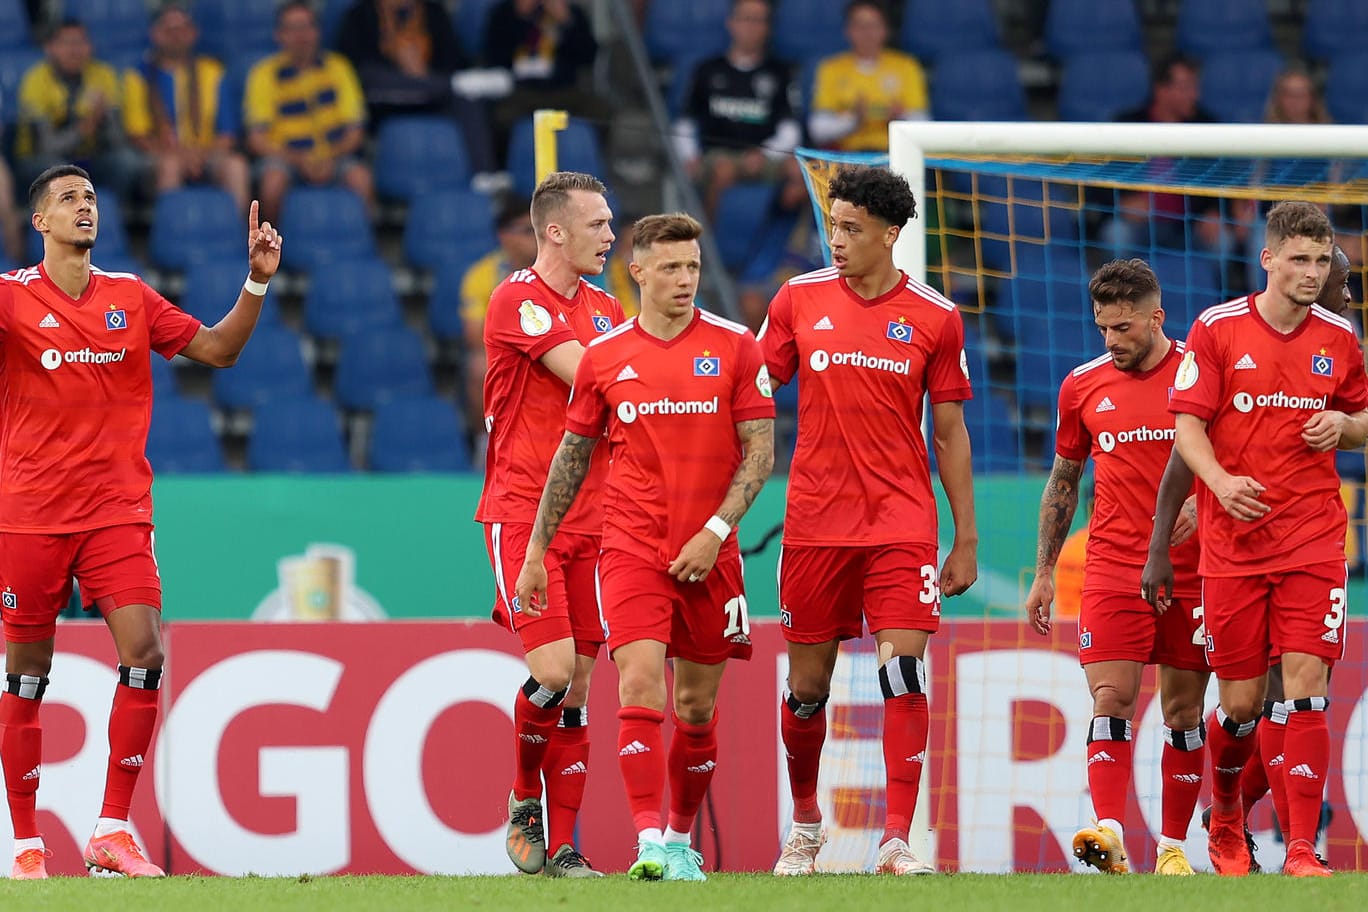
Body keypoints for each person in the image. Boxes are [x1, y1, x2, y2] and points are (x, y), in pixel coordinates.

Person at [0, 164, 281, 879]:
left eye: (91, 197)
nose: (84, 207)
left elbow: (219, 350)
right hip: (28, 516)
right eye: (68, 199)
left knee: (145, 652)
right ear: (40, 223)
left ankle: (110, 830)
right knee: (28, 672)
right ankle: (28, 843)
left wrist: (256, 282)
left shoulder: (131, 297)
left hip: (116, 512)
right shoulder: (11, 299)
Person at [515, 212, 776, 882]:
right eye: (670, 268)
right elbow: (570, 459)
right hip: (630, 548)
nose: (685, 279)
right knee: (637, 684)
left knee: (695, 708)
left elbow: (760, 455)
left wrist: (714, 532)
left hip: (712, 555)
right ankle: (649, 840)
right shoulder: (604, 359)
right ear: (638, 272)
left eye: (691, 267)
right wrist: (536, 550)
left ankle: (682, 838)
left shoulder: (737, 346)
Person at [760, 165, 977, 876]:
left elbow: (948, 432)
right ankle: (805, 825)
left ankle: (895, 840)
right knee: (807, 689)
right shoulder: (797, 300)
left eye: (852, 229)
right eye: (833, 226)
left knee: (903, 674)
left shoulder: (936, 316)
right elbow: (753, 391)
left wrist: (964, 535)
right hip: (817, 522)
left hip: (900, 522)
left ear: (890, 234)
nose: (837, 241)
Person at [1145, 201, 1368, 878]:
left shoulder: (1340, 337)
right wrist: (1219, 480)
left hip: (1313, 538)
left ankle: (1302, 849)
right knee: (1240, 705)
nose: (1312, 272)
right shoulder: (1216, 329)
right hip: (1234, 546)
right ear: (1267, 258)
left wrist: (1345, 429)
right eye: (1298, 259)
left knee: (1305, 693)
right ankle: (1227, 815)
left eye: (1320, 259)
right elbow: (1186, 430)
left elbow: (1362, 418)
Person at [1023, 259, 1209, 876]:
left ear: (1157, 317)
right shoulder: (1081, 386)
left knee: (1183, 712)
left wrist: (1204, 513)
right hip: (1111, 565)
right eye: (1103, 327)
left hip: (1196, 568)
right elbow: (1064, 480)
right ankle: (1108, 831)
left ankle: (1176, 849)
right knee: (1112, 697)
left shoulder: (1201, 376)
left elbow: (1240, 459)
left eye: (1124, 328)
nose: (1111, 340)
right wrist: (1044, 570)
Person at [476, 171, 621, 878]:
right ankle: (520, 797)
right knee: (555, 672)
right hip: (522, 513)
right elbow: (596, 377)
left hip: (596, 520)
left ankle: (564, 847)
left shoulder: (606, 304)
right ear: (555, 231)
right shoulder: (517, 300)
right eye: (598, 224)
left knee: (582, 690)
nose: (611, 236)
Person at [334, 0, 497, 177]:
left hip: (433, 97)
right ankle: (433, 85)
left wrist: (421, 72)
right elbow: (352, 69)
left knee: (467, 98)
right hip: (385, 99)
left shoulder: (433, 12)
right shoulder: (359, 15)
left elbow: (454, 60)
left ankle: (485, 177)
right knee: (376, 77)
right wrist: (399, 63)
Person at [672, 0, 804, 219]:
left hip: (764, 154)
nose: (751, 26)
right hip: (716, 155)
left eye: (758, 20)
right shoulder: (707, 69)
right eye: (745, 18)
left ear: (767, 27)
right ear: (731, 23)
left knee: (801, 172)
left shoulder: (780, 72)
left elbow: (790, 128)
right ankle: (706, 244)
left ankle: (791, 247)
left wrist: (763, 153)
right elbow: (685, 121)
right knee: (724, 171)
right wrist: (689, 156)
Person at [244, 0, 373, 223]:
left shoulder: (339, 67)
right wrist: (299, 160)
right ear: (279, 35)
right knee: (272, 184)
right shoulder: (262, 74)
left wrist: (329, 157)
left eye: (306, 27)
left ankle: (361, 247)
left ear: (317, 31)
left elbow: (355, 130)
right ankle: (272, 250)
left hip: (335, 154)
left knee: (361, 179)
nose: (301, 35)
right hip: (285, 158)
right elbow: (257, 139)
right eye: (293, 29)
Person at [122, 4, 251, 213]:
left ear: (194, 33)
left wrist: (198, 155)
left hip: (209, 152)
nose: (176, 36)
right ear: (155, 34)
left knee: (236, 166)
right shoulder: (138, 76)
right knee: (170, 166)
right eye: (168, 30)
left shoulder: (213, 72)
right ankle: (172, 236)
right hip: (161, 155)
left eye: (182, 29)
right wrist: (181, 155)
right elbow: (139, 136)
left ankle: (240, 238)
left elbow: (227, 135)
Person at [14, 20, 144, 204]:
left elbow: (117, 141)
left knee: (127, 161)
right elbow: (46, 147)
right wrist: (88, 123)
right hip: (42, 160)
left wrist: (105, 118)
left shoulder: (104, 75)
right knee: (55, 168)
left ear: (90, 47)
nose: (74, 50)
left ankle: (107, 215)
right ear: (50, 48)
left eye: (80, 42)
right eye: (66, 43)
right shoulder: (36, 81)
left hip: (92, 156)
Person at [808, 0, 928, 153]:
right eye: (860, 26)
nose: (867, 33)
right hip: (847, 157)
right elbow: (817, 129)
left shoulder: (907, 66)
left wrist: (899, 119)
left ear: (886, 29)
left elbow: (923, 124)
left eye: (874, 25)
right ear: (848, 30)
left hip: (894, 155)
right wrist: (854, 121)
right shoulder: (830, 68)